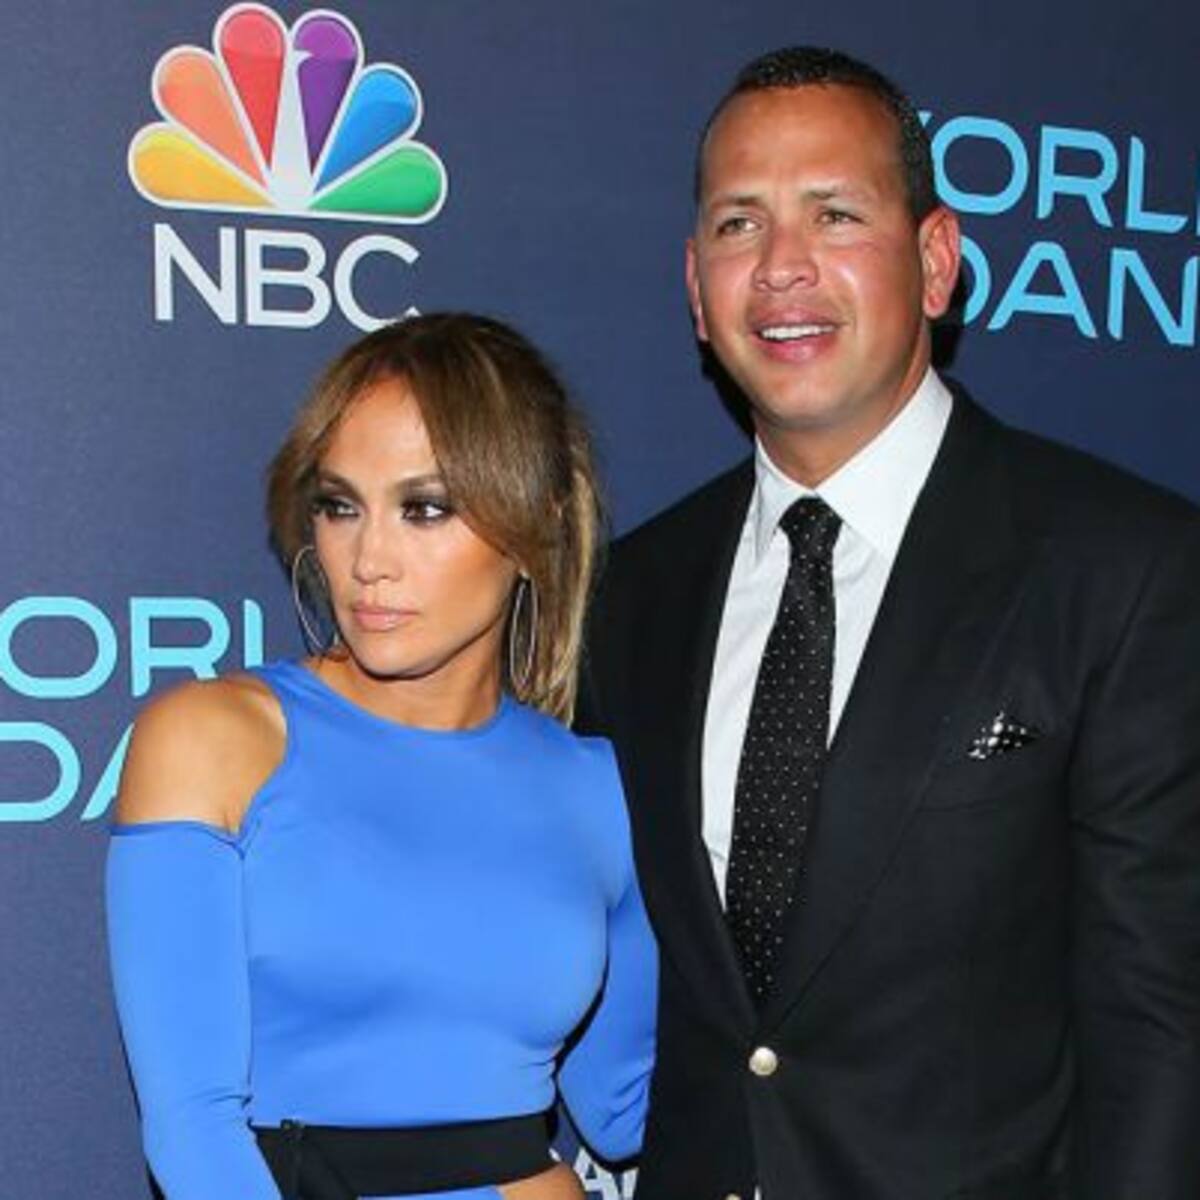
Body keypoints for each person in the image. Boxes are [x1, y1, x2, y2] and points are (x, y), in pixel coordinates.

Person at [580, 46, 1200, 1200]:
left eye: (835, 214)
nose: (781, 267)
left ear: (935, 261)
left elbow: (1159, 1027)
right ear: (696, 287)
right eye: (738, 224)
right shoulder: (630, 596)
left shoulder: (1123, 569)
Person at [106, 313, 657, 1200]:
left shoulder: (593, 787)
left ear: (537, 527)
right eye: (339, 506)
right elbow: (192, 1130)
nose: (367, 560)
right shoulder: (217, 740)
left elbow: (628, 1108)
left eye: (424, 508)